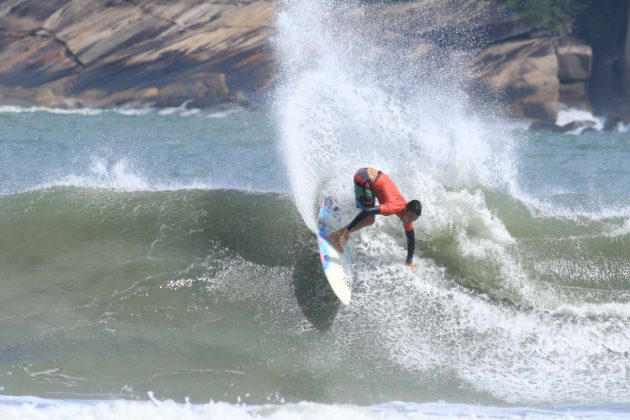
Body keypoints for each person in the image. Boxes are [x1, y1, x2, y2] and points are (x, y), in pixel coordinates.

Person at [329, 167, 422, 268]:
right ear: (405, 210)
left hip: (369, 175)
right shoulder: (392, 208)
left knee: (364, 204)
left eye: (414, 219)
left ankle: (335, 201)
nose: (410, 221)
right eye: (410, 217)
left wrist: (409, 261)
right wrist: (348, 230)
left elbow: (411, 238)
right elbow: (366, 212)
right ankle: (336, 235)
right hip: (364, 179)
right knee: (369, 219)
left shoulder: (406, 213)